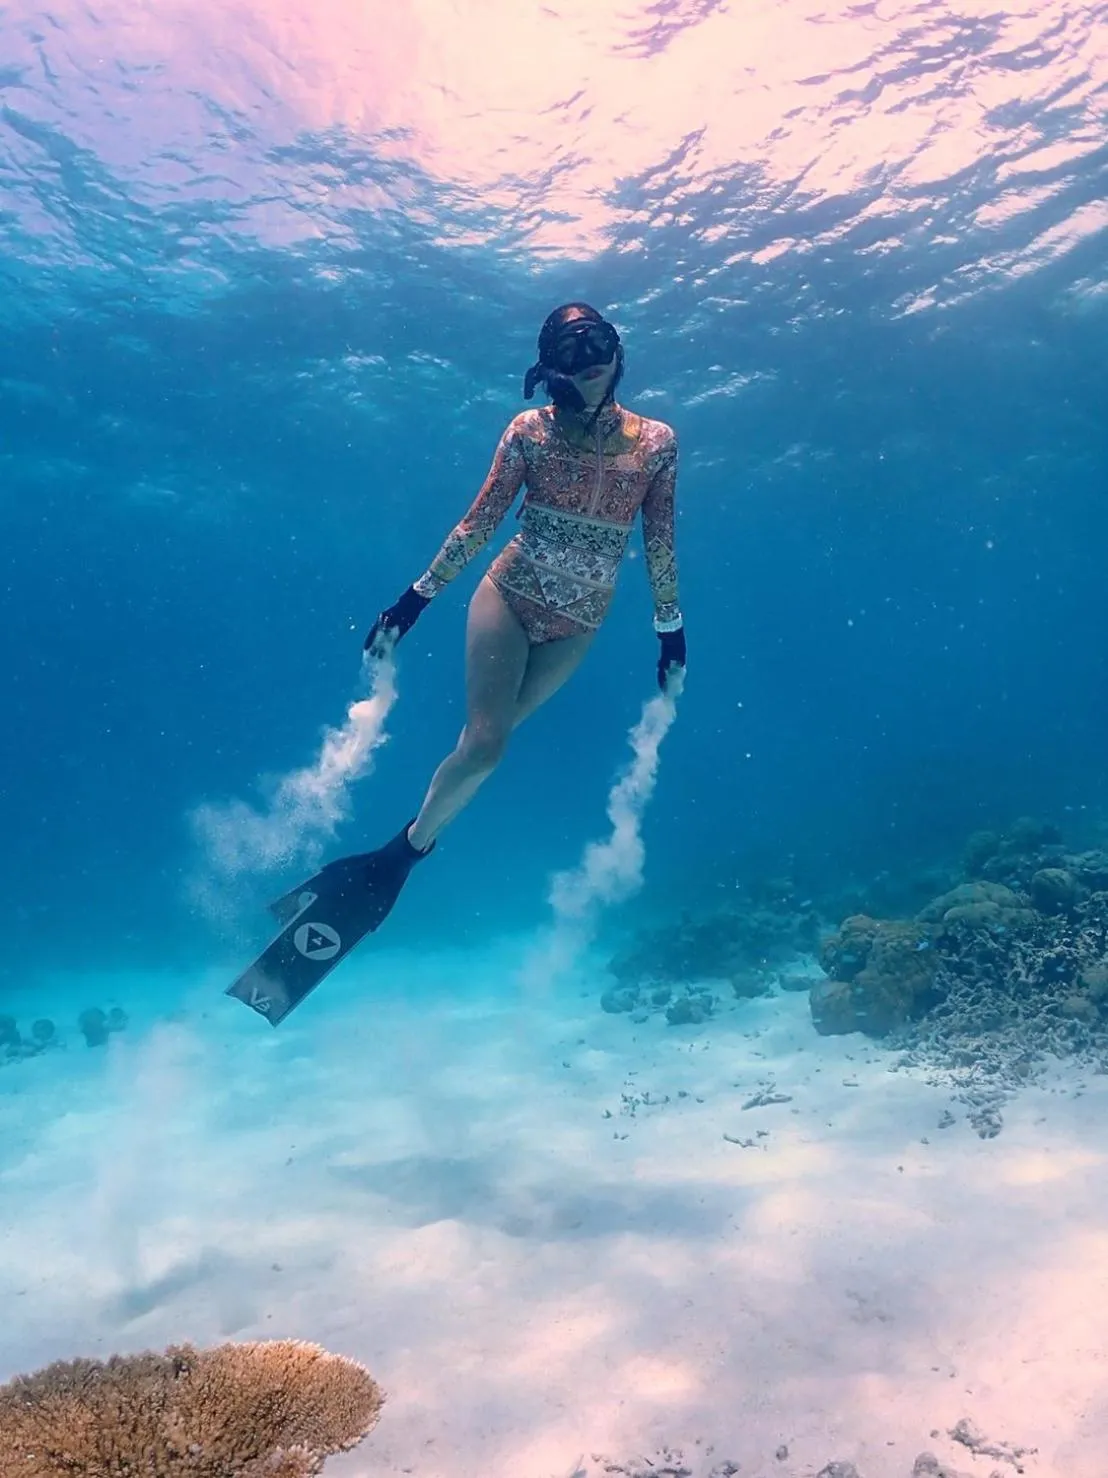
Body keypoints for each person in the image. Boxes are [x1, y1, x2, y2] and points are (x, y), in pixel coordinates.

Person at [225, 303, 686, 1025]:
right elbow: (479, 522)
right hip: (511, 593)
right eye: (573, 348)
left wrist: (670, 631)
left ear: (618, 349)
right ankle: (404, 856)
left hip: (580, 622)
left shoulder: (657, 443)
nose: (591, 358)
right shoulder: (529, 431)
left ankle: (399, 854)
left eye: (599, 341)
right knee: (486, 745)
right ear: (552, 365)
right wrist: (413, 602)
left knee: (480, 755)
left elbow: (659, 541)